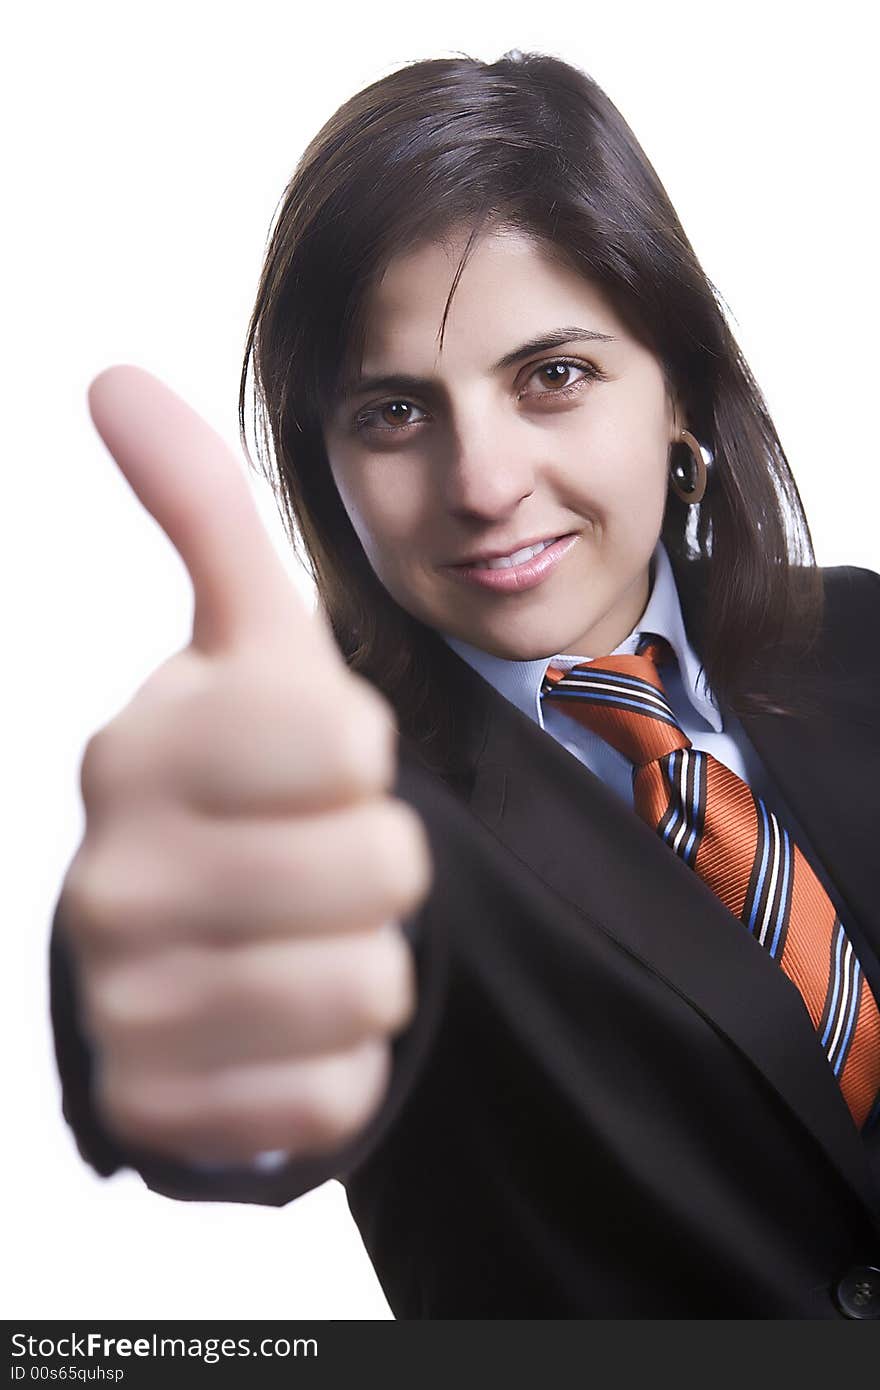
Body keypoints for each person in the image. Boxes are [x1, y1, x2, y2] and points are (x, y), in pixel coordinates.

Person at [49, 50, 880, 1318]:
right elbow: (253, 1063)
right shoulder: (336, 798)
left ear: (678, 391)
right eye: (391, 412)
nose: (483, 483)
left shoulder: (863, 636)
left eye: (553, 376)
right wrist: (199, 1047)